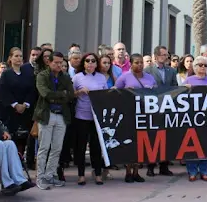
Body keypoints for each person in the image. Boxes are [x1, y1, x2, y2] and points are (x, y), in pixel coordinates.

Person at [34, 51, 73, 190]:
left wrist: (57, 96)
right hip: (46, 114)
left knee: (57, 148)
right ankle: (40, 177)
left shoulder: (66, 76)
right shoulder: (42, 76)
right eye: (56, 62)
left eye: (61, 63)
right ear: (49, 62)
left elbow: (70, 95)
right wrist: (62, 94)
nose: (59, 65)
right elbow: (45, 93)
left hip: (61, 115)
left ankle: (50, 175)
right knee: (44, 147)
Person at [115, 53, 156, 183]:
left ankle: (136, 172)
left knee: (141, 143)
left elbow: (157, 93)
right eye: (136, 62)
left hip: (144, 114)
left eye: (141, 62)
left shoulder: (150, 78)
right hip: (129, 114)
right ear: (131, 64)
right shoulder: (124, 77)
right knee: (130, 143)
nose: (139, 65)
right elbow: (114, 92)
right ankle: (128, 172)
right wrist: (125, 91)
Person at [73, 52, 108, 185]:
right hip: (81, 116)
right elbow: (71, 95)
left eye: (93, 61)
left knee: (96, 146)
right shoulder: (77, 77)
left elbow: (106, 94)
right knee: (81, 146)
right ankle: (81, 175)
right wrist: (79, 92)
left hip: (96, 117)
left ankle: (98, 174)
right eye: (87, 61)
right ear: (83, 63)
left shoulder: (101, 77)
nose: (90, 63)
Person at [182, 55, 207, 181]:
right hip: (192, 118)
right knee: (191, 145)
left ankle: (204, 171)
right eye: (200, 65)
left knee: (206, 145)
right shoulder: (188, 80)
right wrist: (184, 88)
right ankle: (192, 171)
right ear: (194, 67)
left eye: (205, 65)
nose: (203, 67)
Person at [144, 45, 177, 177]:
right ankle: (151, 166)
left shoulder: (171, 71)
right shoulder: (148, 70)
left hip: (167, 107)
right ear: (156, 56)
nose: (165, 57)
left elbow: (175, 87)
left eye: (166, 55)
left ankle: (164, 166)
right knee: (153, 137)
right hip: (153, 108)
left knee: (167, 137)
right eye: (163, 54)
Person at [0, 48, 35, 159]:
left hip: (25, 111)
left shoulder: (27, 74)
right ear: (10, 58)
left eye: (20, 56)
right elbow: (4, 91)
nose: (19, 58)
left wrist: (25, 104)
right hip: (10, 111)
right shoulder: (6, 74)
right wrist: (15, 104)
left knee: (24, 137)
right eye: (16, 56)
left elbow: (31, 90)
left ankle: (22, 158)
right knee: (12, 136)